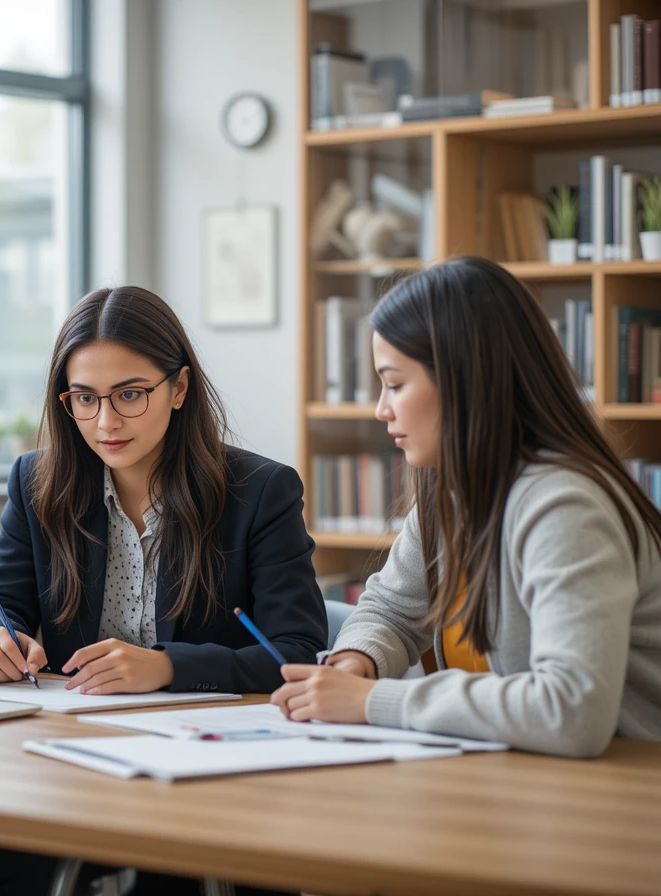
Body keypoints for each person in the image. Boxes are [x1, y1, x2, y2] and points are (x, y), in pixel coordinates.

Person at [0, 285, 325, 895]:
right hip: (75, 756)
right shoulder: (38, 482)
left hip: (213, 773)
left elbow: (296, 654)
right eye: (85, 399)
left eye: (129, 395)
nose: (106, 421)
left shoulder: (260, 492)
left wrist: (167, 668)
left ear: (178, 388)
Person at [271, 256, 661, 758]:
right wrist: (355, 662)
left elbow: (573, 710)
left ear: (462, 381)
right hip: (532, 773)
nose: (381, 409)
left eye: (394, 384)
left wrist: (373, 700)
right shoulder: (451, 491)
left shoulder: (564, 506)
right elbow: (390, 609)